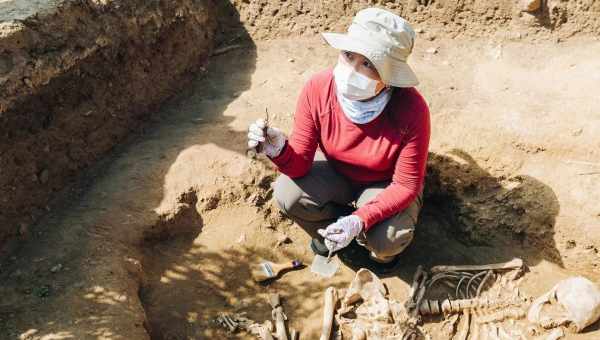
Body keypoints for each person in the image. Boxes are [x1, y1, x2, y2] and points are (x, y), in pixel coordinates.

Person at [247, 8, 430, 268]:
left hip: (384, 184)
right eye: (348, 55)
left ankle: (377, 252)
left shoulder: (412, 110)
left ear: (389, 78)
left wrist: (360, 219)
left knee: (388, 238)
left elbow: (406, 185)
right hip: (336, 172)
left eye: (368, 64)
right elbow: (299, 165)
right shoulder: (318, 88)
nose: (352, 70)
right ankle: (332, 231)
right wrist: (280, 151)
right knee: (288, 194)